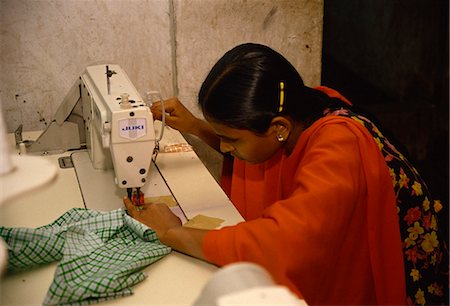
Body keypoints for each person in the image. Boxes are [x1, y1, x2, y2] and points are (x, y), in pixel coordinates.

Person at [124, 43, 448, 305]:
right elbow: (254, 147)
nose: (225, 147)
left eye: (231, 139)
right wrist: (196, 127)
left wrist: (170, 233)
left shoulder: (338, 147)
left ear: (278, 128)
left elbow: (281, 243)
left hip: (402, 277)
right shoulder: (306, 107)